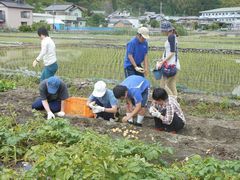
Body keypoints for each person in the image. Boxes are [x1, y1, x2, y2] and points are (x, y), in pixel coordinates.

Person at [157, 21, 180, 97]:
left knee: (163, 86)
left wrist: (162, 62)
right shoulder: (172, 36)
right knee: (171, 85)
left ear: (166, 30)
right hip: (174, 64)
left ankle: (172, 101)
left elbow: (172, 52)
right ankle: (175, 103)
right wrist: (162, 59)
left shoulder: (171, 37)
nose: (162, 32)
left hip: (170, 65)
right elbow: (169, 51)